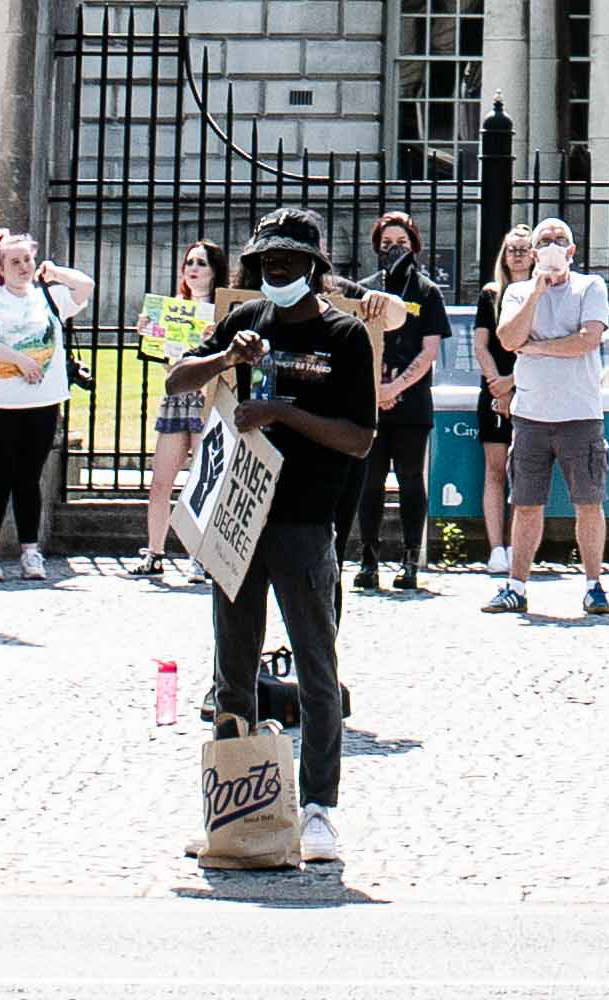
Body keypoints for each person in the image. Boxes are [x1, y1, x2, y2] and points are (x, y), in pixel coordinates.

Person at [176, 205, 383, 871]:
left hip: (303, 519)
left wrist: (284, 411)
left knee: (317, 667)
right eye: (269, 263)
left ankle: (319, 805)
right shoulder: (244, 321)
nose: (280, 272)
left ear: (315, 267)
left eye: (291, 262)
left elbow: (360, 437)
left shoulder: (345, 335)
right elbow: (179, 375)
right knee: (231, 671)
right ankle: (236, 805)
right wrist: (220, 360)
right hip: (241, 515)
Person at [490, 217, 609, 617]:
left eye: (561, 239)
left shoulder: (589, 287)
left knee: (589, 502)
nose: (554, 245)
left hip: (580, 413)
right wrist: (537, 292)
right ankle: (516, 585)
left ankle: (594, 585)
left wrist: (539, 348)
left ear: (573, 251)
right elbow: (509, 341)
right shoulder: (518, 292)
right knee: (525, 503)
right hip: (531, 415)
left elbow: (588, 339)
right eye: (546, 240)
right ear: (535, 251)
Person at [0, 227, 82, 584]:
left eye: (27, 259)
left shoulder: (48, 296)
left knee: (29, 479)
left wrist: (56, 272)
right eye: (14, 261)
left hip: (42, 402)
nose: (23, 267)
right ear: (0, 266)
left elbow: (86, 287)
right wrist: (20, 360)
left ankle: (31, 551)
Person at [352, 213, 448, 597]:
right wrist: (377, 389)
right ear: (377, 246)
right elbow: (355, 341)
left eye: (402, 243)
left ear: (415, 246)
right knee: (369, 482)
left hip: (411, 403)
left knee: (410, 479)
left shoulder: (427, 292)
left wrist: (397, 387)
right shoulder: (364, 291)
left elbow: (429, 352)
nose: (395, 249)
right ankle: (368, 557)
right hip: (371, 400)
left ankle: (410, 557)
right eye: (388, 242)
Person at [137, 236, 230, 593]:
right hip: (177, 399)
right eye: (189, 262)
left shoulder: (224, 313)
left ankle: (199, 556)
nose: (193, 269)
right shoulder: (171, 308)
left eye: (201, 263)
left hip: (208, 400)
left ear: (215, 271)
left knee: (202, 482)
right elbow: (161, 357)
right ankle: (155, 552)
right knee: (161, 481)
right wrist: (147, 333)